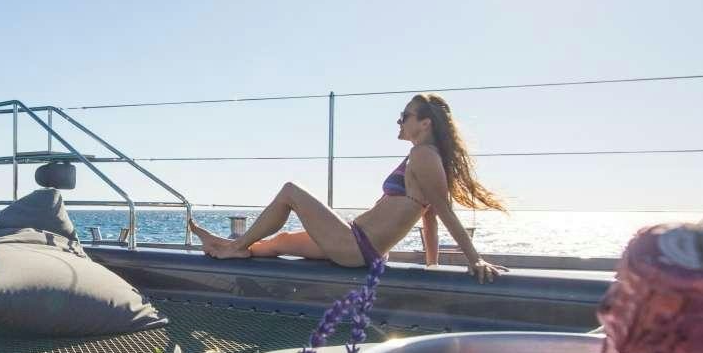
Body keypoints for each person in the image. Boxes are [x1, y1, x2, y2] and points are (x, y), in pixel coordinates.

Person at [190, 93, 508, 282]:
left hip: (356, 246)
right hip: (357, 242)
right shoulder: (424, 156)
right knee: (280, 241)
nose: (399, 121)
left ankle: (233, 247)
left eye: (405, 116)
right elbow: (429, 216)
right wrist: (432, 265)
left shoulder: (423, 155)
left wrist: (474, 260)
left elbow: (443, 211)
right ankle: (228, 247)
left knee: (290, 191)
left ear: (425, 123)